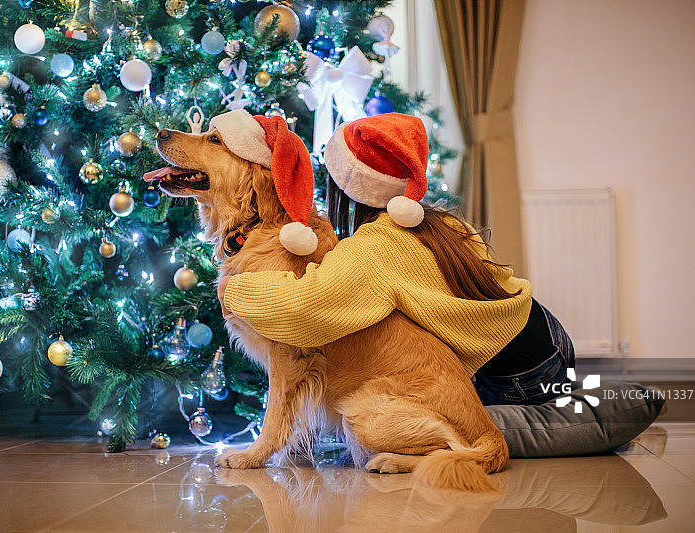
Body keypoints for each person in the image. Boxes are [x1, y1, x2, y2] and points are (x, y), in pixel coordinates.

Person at [219, 112, 574, 406]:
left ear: (344, 189)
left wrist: (234, 289)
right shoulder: (438, 220)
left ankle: (554, 421)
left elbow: (306, 305)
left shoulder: (373, 249)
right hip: (550, 334)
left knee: (449, 426)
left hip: (523, 376)